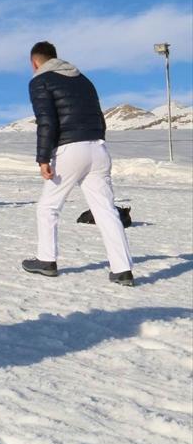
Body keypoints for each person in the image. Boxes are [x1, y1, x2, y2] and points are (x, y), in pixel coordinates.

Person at [20, 42, 134, 286]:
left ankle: (46, 260)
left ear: (35, 62)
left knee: (48, 207)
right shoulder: (83, 79)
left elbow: (46, 121)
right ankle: (122, 269)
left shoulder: (41, 81)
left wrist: (42, 159)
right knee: (105, 210)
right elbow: (99, 116)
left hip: (70, 150)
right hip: (98, 148)